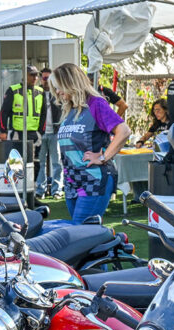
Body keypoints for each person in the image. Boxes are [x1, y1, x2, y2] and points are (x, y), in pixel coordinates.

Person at [50, 63, 131, 224]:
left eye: (59, 87)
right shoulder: (70, 109)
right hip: (73, 182)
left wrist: (103, 157)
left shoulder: (96, 104)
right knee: (83, 236)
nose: (57, 92)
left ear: (71, 83)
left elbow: (124, 131)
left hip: (94, 179)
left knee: (81, 231)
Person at [0, 65, 47, 142]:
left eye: (36, 75)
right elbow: (4, 112)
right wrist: (3, 131)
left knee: (35, 154)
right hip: (17, 133)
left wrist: (41, 132)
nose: (35, 78)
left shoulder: (40, 92)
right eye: (31, 75)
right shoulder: (13, 90)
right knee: (17, 154)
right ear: (24, 75)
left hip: (35, 133)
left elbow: (44, 114)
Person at [35, 68, 63, 199]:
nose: (46, 81)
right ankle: (40, 190)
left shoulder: (57, 92)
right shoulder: (36, 93)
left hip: (55, 132)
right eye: (44, 78)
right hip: (40, 133)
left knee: (57, 162)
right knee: (40, 163)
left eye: (48, 78)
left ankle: (57, 190)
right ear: (40, 79)